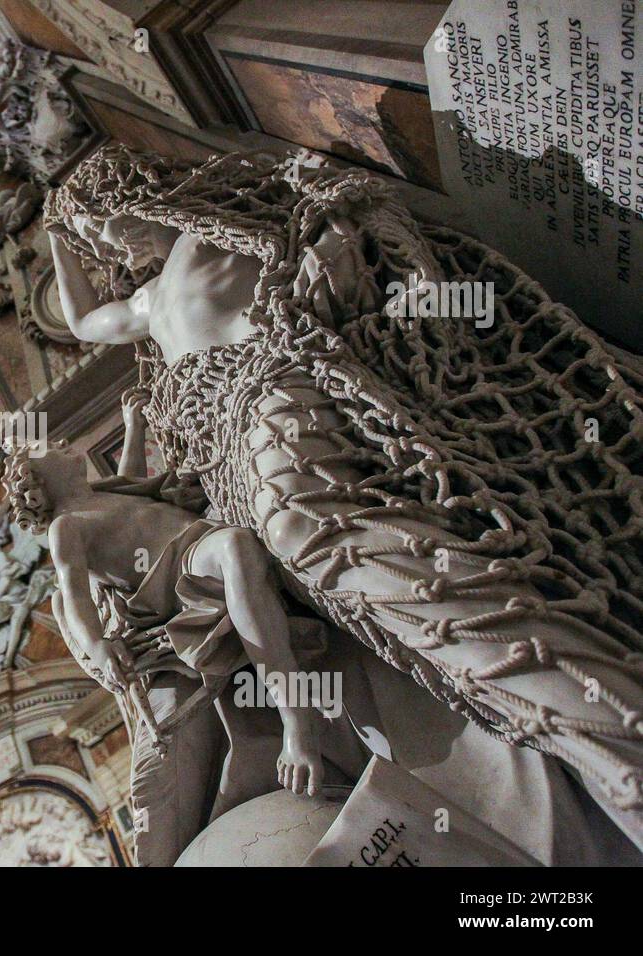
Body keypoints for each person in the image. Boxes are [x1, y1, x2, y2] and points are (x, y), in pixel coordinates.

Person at [43, 144, 643, 848]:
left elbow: (335, 227)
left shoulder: (214, 236)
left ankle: (614, 742)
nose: (117, 248)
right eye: (102, 244)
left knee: (404, 589)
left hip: (274, 429)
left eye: (114, 228)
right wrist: (58, 228)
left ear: (143, 198)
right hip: (244, 471)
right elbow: (87, 323)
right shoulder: (150, 298)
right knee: (395, 613)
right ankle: (591, 741)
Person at [3, 389, 328, 863]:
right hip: (179, 579)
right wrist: (97, 646)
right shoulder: (65, 526)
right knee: (236, 548)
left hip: (198, 539)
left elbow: (134, 481)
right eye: (49, 449)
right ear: (38, 485)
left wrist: (132, 425)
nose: (64, 444)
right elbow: (73, 594)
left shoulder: (104, 493)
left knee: (238, 537)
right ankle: (297, 722)